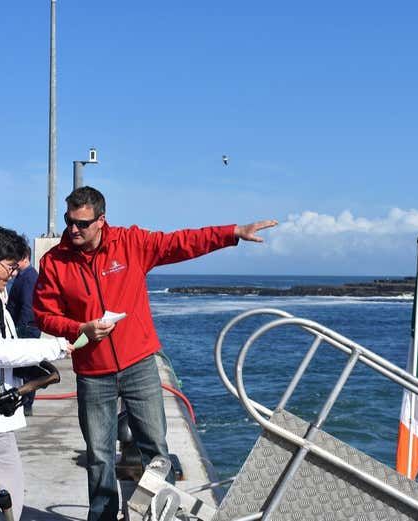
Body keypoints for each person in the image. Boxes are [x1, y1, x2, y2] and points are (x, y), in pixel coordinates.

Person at [33, 186, 278, 521]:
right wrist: (79, 329)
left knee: (155, 450)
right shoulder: (54, 262)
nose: (73, 229)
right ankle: (102, 516)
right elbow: (43, 314)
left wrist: (232, 233)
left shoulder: (131, 243)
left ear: (102, 220)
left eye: (82, 223)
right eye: (69, 221)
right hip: (93, 371)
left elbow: (181, 242)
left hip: (139, 364)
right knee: (100, 455)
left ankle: (156, 514)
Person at [0, 226, 73, 520]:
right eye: (8, 267)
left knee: (3, 487)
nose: (12, 274)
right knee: (9, 488)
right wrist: (52, 350)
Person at [7, 241, 40, 416]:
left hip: (26, 328)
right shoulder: (23, 276)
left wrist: (21, 328)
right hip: (24, 326)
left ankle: (27, 403)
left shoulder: (29, 277)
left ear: (25, 258)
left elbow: (28, 306)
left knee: (26, 369)